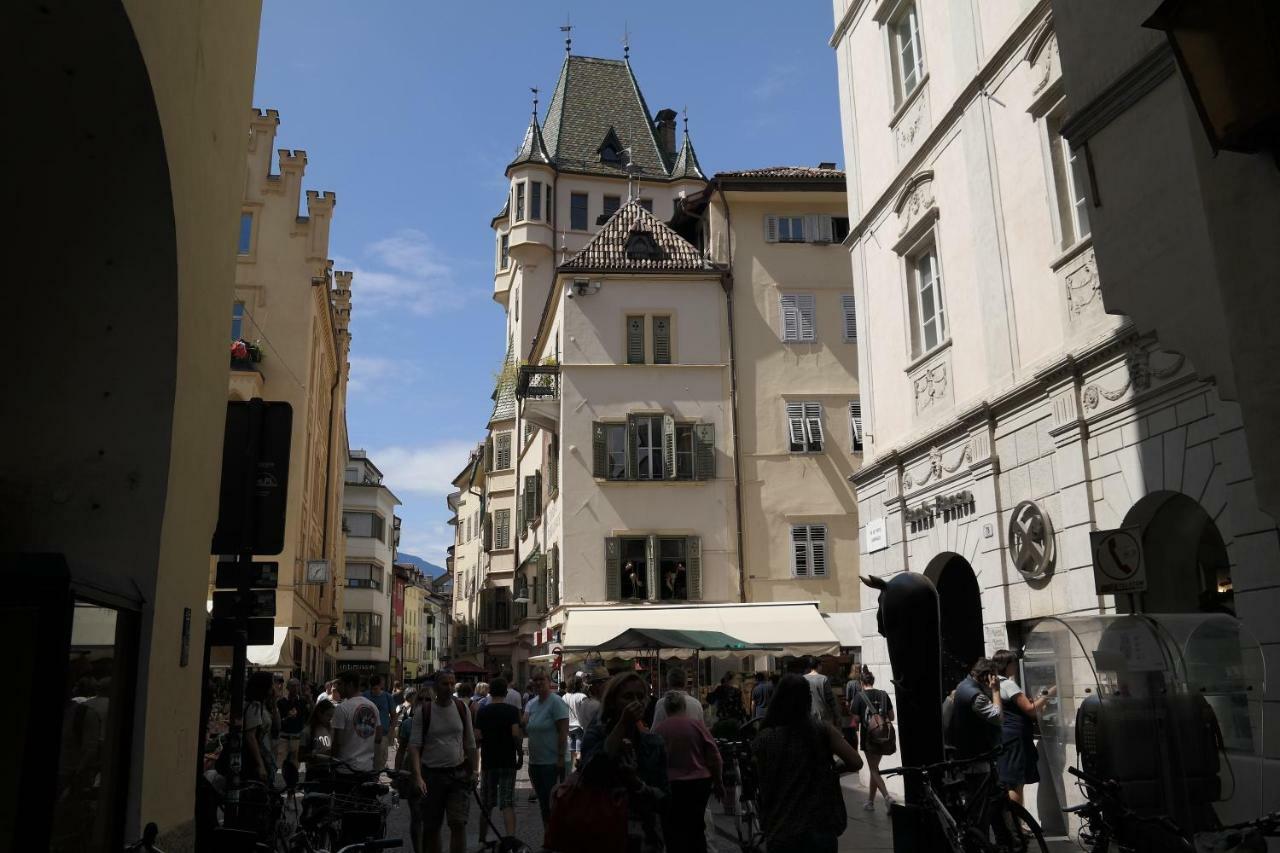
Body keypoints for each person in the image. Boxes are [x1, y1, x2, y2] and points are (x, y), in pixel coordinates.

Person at [752, 674, 862, 853]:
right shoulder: (821, 729)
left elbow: (758, 775)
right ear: (807, 700)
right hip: (820, 825)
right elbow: (855, 761)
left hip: (781, 827)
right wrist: (833, 768)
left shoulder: (765, 737)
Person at [581, 672, 670, 853]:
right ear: (613, 701)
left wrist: (637, 784)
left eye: (640, 696)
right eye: (628, 697)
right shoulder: (596, 734)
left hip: (645, 836)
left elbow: (665, 798)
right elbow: (590, 774)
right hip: (603, 831)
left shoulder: (653, 743)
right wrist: (622, 724)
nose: (636, 702)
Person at [409, 670, 478, 853]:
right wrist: (418, 776)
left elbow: (471, 744)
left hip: (458, 774)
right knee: (432, 827)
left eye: (451, 683)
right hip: (432, 775)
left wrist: (475, 771)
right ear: (436, 686)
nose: (448, 688)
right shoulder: (423, 712)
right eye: (444, 684)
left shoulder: (462, 709)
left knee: (458, 823)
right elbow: (414, 747)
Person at [653, 690, 725, 853]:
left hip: (670, 784)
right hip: (698, 783)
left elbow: (654, 762)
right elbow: (714, 756)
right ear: (684, 706)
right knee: (696, 827)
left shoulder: (659, 730)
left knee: (672, 829)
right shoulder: (696, 725)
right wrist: (718, 782)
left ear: (666, 709)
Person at [992, 650, 1051, 808]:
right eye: (1013, 663)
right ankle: (1019, 825)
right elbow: (1030, 709)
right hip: (1017, 739)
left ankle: (1016, 824)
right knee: (1016, 783)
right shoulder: (1008, 684)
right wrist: (1049, 693)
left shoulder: (995, 683)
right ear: (1008, 665)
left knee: (1012, 782)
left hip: (1006, 736)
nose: (1015, 667)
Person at [474, 677, 522, 846]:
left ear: (490, 692)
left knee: (487, 803)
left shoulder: (482, 711)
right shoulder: (511, 711)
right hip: (508, 761)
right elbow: (516, 734)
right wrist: (520, 754)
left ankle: (482, 838)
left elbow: (477, 736)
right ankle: (510, 838)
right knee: (507, 802)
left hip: (489, 761)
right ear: (506, 692)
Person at [948, 658, 1004, 797]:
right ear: (987, 677)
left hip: (967, 754)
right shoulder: (976, 696)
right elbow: (998, 718)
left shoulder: (963, 685)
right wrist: (996, 691)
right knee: (980, 799)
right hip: (976, 757)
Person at [522, 667, 570, 825]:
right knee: (544, 806)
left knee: (554, 806)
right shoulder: (533, 704)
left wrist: (561, 759)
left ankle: (558, 843)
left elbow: (563, 731)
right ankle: (548, 840)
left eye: (542, 679)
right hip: (536, 763)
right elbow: (527, 727)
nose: (538, 682)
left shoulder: (556, 702)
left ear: (549, 682)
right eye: (535, 679)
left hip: (553, 762)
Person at [850, 669, 894, 812]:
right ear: (873, 681)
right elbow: (892, 717)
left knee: (873, 769)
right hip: (883, 737)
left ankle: (888, 798)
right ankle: (870, 802)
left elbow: (856, 719)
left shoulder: (859, 697)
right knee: (874, 768)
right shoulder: (883, 694)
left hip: (869, 738)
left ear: (862, 683)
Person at [331, 671, 380, 774]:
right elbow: (378, 737)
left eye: (340, 684)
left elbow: (337, 741)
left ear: (350, 685)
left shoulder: (342, 708)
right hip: (367, 768)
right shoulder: (373, 707)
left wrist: (331, 763)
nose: (337, 688)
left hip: (345, 769)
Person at [243, 671, 277, 785]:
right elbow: (250, 736)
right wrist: (260, 764)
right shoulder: (255, 706)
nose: (273, 687)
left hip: (262, 750)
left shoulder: (262, 704)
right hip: (252, 756)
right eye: (271, 684)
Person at [276, 678, 309, 770]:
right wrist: (287, 717)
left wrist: (310, 700)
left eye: (297, 686)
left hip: (297, 738)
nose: (295, 688)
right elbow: (278, 721)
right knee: (279, 765)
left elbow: (308, 717)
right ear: (287, 688)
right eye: (293, 686)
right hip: (284, 738)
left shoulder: (302, 701)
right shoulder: (281, 702)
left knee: (295, 766)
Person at [301, 698, 335, 777]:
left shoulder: (331, 730)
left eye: (332, 716)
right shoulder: (307, 731)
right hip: (313, 772)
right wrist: (316, 756)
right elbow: (301, 757)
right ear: (319, 713)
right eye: (328, 715)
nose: (330, 719)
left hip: (329, 772)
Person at [562, 676, 588, 766]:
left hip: (568, 727)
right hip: (580, 726)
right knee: (579, 751)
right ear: (579, 685)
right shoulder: (582, 696)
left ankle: (573, 767)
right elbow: (586, 712)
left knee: (572, 751)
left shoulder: (564, 697)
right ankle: (578, 765)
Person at [803, 658, 838, 725]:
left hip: (808, 714)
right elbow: (830, 699)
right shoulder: (823, 678)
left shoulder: (803, 678)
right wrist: (836, 714)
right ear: (818, 666)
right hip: (823, 714)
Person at [841, 664, 863, 751]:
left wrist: (848, 711)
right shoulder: (862, 683)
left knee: (855, 729)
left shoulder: (849, 683)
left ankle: (855, 749)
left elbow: (847, 700)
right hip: (863, 708)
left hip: (853, 709)